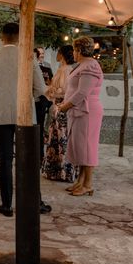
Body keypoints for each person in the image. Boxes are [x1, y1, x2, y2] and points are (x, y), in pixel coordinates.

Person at [0, 22, 48, 217]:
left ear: (2, 37)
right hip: (25, 114)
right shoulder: (28, 57)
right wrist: (26, 98)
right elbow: (41, 89)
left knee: (5, 160)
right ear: (19, 37)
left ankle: (7, 204)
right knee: (28, 160)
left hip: (0, 114)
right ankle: (35, 201)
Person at [58, 37, 104, 196]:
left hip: (88, 111)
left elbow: (83, 92)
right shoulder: (83, 65)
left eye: (74, 49)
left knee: (87, 146)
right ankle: (80, 181)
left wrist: (65, 106)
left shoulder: (91, 65)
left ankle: (88, 184)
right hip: (80, 111)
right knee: (80, 146)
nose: (73, 53)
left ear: (78, 50)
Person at [41, 45, 76, 182]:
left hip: (62, 107)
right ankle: (54, 170)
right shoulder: (61, 69)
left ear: (61, 54)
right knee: (55, 138)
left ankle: (63, 171)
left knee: (62, 139)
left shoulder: (67, 70)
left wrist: (51, 90)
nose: (56, 54)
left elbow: (66, 91)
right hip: (56, 105)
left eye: (58, 52)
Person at [34, 48, 54, 162]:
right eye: (40, 54)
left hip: (46, 98)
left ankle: (46, 134)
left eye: (43, 53)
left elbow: (51, 82)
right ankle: (38, 154)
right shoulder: (34, 67)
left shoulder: (47, 66)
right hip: (36, 99)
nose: (42, 55)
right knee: (38, 126)